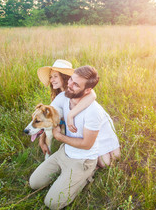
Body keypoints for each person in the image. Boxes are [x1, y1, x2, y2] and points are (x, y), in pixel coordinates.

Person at [29, 65, 117, 209]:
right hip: (64, 152)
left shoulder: (93, 112)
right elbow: (47, 116)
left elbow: (86, 144)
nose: (69, 85)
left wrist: (59, 136)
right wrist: (41, 137)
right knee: (34, 183)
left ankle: (86, 176)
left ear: (88, 90)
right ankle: (65, 175)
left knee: (51, 203)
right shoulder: (63, 97)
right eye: (71, 80)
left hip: (82, 160)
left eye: (76, 84)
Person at [37, 59, 120, 167]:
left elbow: (92, 95)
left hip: (98, 124)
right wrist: (41, 140)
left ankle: (106, 148)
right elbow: (49, 119)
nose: (52, 80)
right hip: (83, 129)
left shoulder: (75, 88)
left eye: (55, 76)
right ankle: (93, 155)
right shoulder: (59, 96)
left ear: (64, 76)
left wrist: (70, 115)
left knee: (113, 158)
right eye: (50, 77)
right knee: (104, 163)